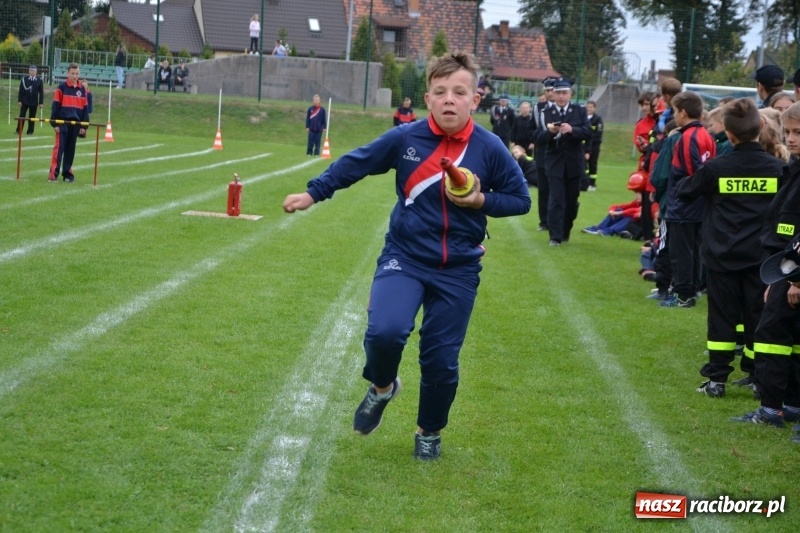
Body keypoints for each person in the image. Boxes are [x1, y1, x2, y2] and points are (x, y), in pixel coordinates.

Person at [281, 52, 531, 461]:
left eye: (459, 92)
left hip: (459, 268)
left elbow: (520, 200)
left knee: (441, 359)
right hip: (406, 256)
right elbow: (356, 163)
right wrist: (313, 192)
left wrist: (480, 199)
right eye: (440, 92)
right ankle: (382, 387)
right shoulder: (406, 139)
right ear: (427, 99)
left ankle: (428, 431)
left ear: (475, 99)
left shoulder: (490, 148)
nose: (449, 99)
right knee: (385, 332)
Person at [677, 98, 784, 398]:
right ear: (762, 126)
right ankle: (755, 375)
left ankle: (716, 380)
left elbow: (685, 192)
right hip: (761, 260)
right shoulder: (779, 169)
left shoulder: (716, 168)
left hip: (722, 257)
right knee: (757, 318)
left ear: (728, 133)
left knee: (722, 318)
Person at [730, 102, 800, 433]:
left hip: (792, 269)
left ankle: (771, 408)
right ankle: (790, 404)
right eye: (788, 132)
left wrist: (796, 279)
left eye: (798, 132)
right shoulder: (793, 168)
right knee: (788, 335)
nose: (792, 139)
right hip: (783, 266)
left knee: (771, 333)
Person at [660, 91, 716, 308]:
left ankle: (683, 294)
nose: (675, 115)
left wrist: (681, 196)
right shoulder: (706, 135)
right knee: (693, 249)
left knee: (681, 252)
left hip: (684, 205)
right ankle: (692, 289)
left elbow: (692, 175)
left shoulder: (687, 137)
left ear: (683, 112)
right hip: (699, 205)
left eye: (675, 111)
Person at [537, 77, 591, 246]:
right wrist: (551, 132)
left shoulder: (579, 111)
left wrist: (572, 129)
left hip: (574, 162)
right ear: (553, 94)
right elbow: (539, 137)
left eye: (564, 93)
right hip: (554, 163)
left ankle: (565, 230)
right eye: (558, 93)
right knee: (556, 199)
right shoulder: (546, 112)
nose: (561, 96)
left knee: (571, 201)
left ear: (570, 94)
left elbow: (588, 132)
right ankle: (555, 236)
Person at [48, 63, 90, 183]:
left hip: (75, 125)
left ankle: (67, 174)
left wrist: (83, 126)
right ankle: (53, 174)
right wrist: (55, 123)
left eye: (77, 74)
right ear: (68, 73)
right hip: (62, 124)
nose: (75, 76)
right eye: (72, 73)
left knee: (70, 150)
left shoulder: (82, 90)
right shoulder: (61, 88)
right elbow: (55, 107)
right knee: (59, 149)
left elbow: (85, 110)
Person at [581, 172, 653, 238]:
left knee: (629, 217)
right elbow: (622, 206)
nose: (636, 196)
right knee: (619, 211)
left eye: (638, 193)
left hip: (640, 225)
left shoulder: (648, 203)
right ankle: (599, 227)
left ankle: (610, 231)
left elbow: (636, 211)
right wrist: (612, 210)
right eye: (635, 193)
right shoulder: (637, 202)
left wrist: (620, 213)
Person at [533, 77, 557, 232]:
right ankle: (544, 221)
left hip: (558, 155)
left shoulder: (566, 109)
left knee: (557, 190)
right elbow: (533, 130)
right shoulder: (539, 108)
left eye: (552, 90)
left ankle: (555, 221)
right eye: (547, 90)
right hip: (542, 153)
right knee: (543, 189)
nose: (550, 93)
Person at [16, 65, 44, 136]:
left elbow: (41, 92)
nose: (32, 72)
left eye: (34, 71)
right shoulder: (24, 79)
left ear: (36, 72)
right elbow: (20, 91)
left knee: (32, 117)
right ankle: (19, 130)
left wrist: (41, 103)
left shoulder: (39, 80)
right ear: (29, 71)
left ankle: (30, 131)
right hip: (24, 101)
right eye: (31, 70)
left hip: (34, 102)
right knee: (22, 115)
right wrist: (19, 100)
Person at [584, 100, 603, 191]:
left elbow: (598, 133)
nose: (589, 109)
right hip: (584, 145)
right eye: (588, 107)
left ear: (594, 108)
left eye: (591, 107)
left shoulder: (597, 119)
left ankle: (592, 184)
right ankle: (585, 182)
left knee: (592, 163)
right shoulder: (583, 118)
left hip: (594, 146)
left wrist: (589, 139)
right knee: (584, 164)